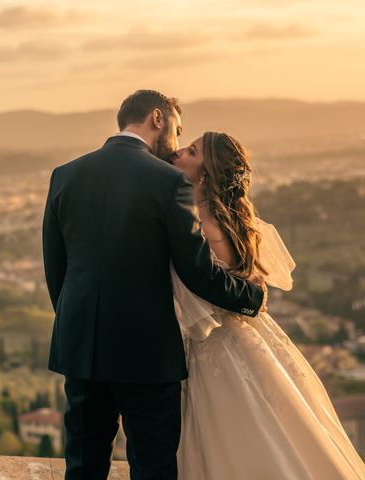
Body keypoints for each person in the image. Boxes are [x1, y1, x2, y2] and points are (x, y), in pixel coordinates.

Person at [42, 90, 266, 480]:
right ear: (158, 119)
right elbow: (197, 271)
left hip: (81, 346)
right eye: (178, 130)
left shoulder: (66, 174)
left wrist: (76, 324)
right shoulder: (170, 183)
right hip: (146, 353)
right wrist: (252, 296)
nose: (178, 143)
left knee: (83, 463)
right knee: (152, 466)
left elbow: (56, 267)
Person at [171, 131, 365, 479]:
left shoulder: (199, 223)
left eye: (191, 150)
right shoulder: (230, 220)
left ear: (204, 174)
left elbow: (196, 285)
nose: (179, 152)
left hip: (213, 344)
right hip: (250, 335)